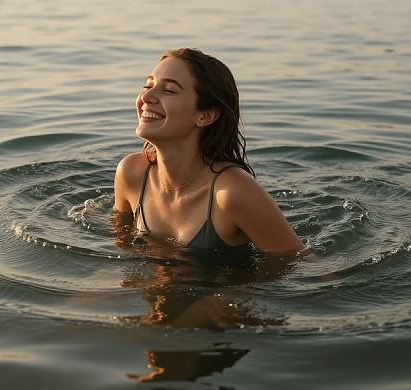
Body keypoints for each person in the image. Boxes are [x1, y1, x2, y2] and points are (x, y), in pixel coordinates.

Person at [113, 48, 304, 255]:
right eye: (148, 85)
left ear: (205, 116)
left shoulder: (233, 193)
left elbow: (298, 263)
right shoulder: (131, 173)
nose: (147, 96)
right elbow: (122, 246)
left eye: (168, 90)